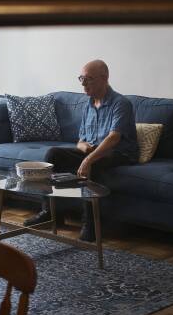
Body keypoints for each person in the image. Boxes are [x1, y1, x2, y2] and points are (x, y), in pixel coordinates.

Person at [23, 59, 139, 241]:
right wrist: (83, 147)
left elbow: (114, 138)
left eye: (88, 79)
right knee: (53, 154)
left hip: (119, 153)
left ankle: (91, 225)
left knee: (94, 164)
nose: (83, 84)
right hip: (93, 151)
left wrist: (88, 159)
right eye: (81, 79)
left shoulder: (121, 103)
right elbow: (81, 140)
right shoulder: (88, 105)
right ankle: (51, 212)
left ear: (104, 78)